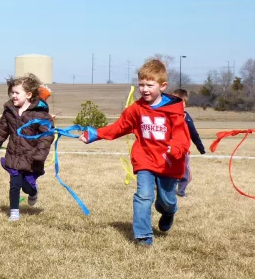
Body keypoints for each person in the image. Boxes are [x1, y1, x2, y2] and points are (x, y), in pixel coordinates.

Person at [80, 59, 190, 246]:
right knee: (143, 195)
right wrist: (94, 134)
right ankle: (143, 236)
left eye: (150, 85)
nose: (144, 89)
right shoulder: (136, 109)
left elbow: (181, 135)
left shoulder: (174, 111)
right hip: (145, 160)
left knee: (167, 200)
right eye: (141, 84)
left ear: (163, 86)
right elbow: (119, 127)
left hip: (168, 162)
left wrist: (176, 148)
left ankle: (168, 211)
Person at [0, 74, 54, 221]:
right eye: (12, 92)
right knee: (14, 184)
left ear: (28, 94)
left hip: (31, 158)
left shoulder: (40, 114)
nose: (13, 96)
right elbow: (0, 132)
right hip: (14, 155)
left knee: (27, 186)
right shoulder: (9, 111)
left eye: (17, 93)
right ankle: (14, 211)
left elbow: (46, 136)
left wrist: (40, 155)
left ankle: (33, 192)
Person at [172, 88, 206, 197]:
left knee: (185, 172)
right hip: (170, 150)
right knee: (170, 171)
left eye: (182, 103)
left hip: (183, 151)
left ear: (185, 104)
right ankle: (170, 190)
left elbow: (194, 134)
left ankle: (181, 191)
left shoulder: (186, 118)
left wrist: (201, 148)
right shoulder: (167, 116)